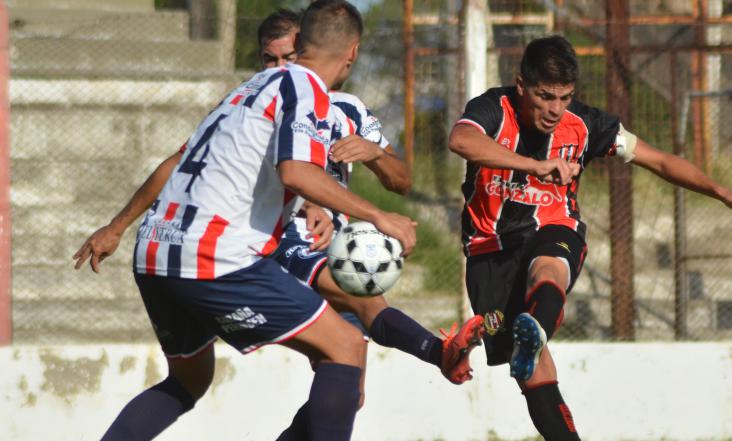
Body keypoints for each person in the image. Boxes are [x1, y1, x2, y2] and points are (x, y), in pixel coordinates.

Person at [74, 7, 485, 388]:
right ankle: (439, 352)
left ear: (308, 50)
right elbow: (198, 165)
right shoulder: (256, 102)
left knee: (344, 391)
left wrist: (374, 153)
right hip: (283, 242)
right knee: (364, 299)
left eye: (288, 56)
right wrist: (118, 225)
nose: (281, 67)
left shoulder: (347, 110)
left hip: (331, 241)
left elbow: (401, 181)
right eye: (269, 59)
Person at [448, 35, 732, 441]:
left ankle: (536, 325)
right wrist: (536, 167)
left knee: (549, 263)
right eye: (545, 97)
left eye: (565, 97)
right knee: (532, 375)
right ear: (521, 85)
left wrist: (722, 191)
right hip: (490, 250)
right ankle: (519, 343)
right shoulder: (492, 108)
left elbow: (660, 160)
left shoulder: (586, 124)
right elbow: (461, 141)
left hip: (553, 229)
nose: (556, 110)